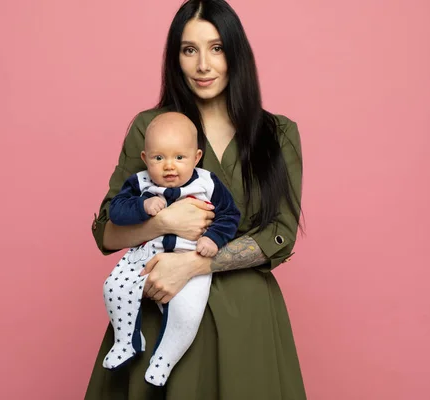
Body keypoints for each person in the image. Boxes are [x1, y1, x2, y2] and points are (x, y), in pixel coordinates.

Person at [85, 0, 307, 398]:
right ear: (176, 58)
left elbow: (281, 234)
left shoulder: (279, 133)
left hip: (248, 320)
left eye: (217, 48)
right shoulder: (151, 128)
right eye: (190, 50)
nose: (203, 65)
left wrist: (190, 265)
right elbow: (106, 233)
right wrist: (164, 224)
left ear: (236, 52)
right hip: (158, 311)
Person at [102, 112, 240, 387]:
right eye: (158, 158)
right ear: (145, 159)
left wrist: (213, 238)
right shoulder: (140, 183)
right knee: (113, 288)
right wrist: (142, 207)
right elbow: (115, 211)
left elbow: (230, 215)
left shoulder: (207, 183)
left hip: (191, 259)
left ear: (197, 156)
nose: (169, 166)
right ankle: (126, 340)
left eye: (179, 157)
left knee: (187, 312)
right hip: (143, 255)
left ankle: (165, 358)